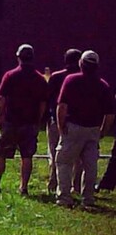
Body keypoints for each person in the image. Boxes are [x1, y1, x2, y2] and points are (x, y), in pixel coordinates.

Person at [55, 50, 115, 208]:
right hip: (93, 129)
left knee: (64, 162)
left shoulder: (71, 80)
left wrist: (61, 126)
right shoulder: (103, 85)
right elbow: (110, 113)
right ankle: (88, 198)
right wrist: (103, 131)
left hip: (73, 127)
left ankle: (64, 197)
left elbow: (62, 106)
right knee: (90, 166)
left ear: (81, 64)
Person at [0, 44, 48, 195]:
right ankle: (23, 187)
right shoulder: (39, 78)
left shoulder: (10, 75)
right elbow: (43, 102)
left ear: (18, 57)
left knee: (1, 153)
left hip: (11, 121)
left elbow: (1, 97)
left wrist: (0, 115)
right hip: (30, 122)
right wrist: (38, 119)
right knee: (27, 156)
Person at [46, 49, 83, 194]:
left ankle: (53, 183)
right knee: (78, 155)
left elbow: (49, 99)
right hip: (77, 121)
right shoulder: (82, 79)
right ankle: (76, 186)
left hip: (56, 120)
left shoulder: (56, 77)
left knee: (55, 152)